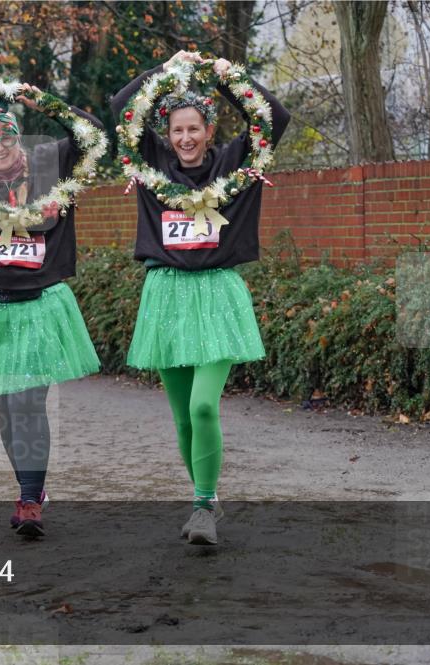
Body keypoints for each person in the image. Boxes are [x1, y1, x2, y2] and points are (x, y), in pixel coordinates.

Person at [110, 51, 290, 545]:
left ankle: (204, 506)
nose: (185, 139)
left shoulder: (236, 162)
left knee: (204, 408)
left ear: (209, 130)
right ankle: (203, 498)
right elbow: (121, 108)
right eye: (176, 131)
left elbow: (273, 115)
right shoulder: (151, 166)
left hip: (217, 294)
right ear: (166, 136)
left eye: (194, 129)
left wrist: (220, 73)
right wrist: (166, 70)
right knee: (182, 416)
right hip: (165, 294)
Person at [0, 84, 103, 537]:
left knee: (30, 403)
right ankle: (31, 485)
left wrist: (43, 102)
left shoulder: (49, 165)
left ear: (20, 138)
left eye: (7, 136)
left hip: (39, 306)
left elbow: (92, 133)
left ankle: (29, 500)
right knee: (8, 411)